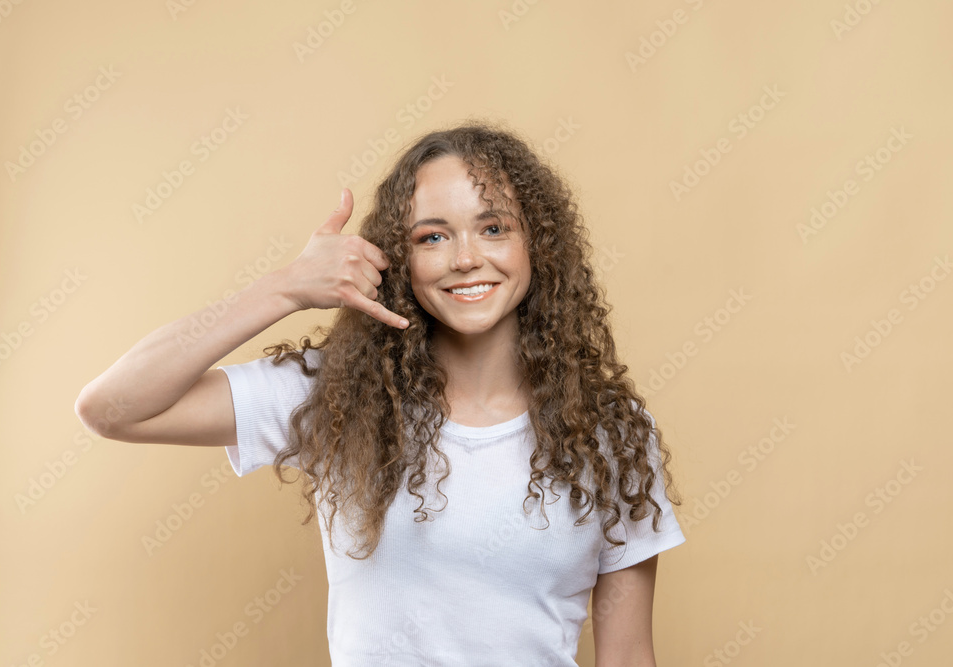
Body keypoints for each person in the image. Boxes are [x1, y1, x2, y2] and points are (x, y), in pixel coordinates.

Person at [75, 119, 686, 666]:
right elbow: (111, 407)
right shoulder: (339, 395)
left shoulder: (608, 431)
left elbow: (628, 654)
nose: (466, 259)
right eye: (433, 237)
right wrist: (286, 287)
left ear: (538, 245)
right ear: (399, 258)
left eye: (494, 228)